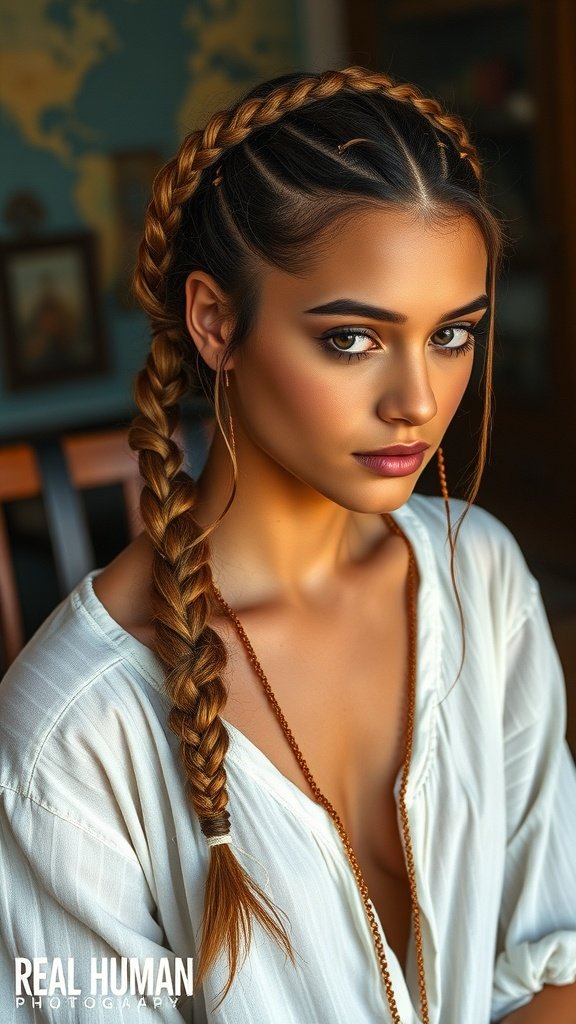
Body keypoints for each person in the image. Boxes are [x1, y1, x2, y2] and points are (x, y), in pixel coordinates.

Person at [1, 66, 575, 1024]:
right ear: (216, 322)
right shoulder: (68, 741)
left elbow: (559, 954)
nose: (420, 401)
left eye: (453, 335)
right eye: (352, 338)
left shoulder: (482, 575)